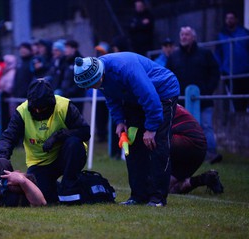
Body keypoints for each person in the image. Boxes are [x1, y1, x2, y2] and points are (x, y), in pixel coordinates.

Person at [74, 52, 180, 207]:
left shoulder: (126, 68)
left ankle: (158, 197)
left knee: (157, 144)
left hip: (162, 93)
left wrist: (151, 128)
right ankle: (138, 195)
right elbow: (111, 96)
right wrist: (120, 121)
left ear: (100, 73)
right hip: (134, 97)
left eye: (94, 83)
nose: (94, 87)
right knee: (131, 144)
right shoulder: (100, 76)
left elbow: (150, 97)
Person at [0, 79, 90, 204]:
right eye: (35, 109)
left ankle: (69, 187)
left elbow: (84, 131)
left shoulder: (64, 106)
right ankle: (56, 187)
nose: (38, 111)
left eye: (43, 108)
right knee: (42, 197)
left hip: (66, 156)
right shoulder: (22, 112)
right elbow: (8, 137)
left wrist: (57, 136)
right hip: (40, 163)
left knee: (74, 144)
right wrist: (1, 161)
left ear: (52, 103)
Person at [166, 26, 222, 164]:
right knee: (179, 129)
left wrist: (208, 90)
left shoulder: (205, 54)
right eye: (182, 35)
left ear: (193, 37)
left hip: (203, 99)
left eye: (187, 34)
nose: (184, 37)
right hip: (181, 102)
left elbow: (215, 72)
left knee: (206, 126)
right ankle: (183, 155)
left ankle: (211, 154)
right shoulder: (174, 56)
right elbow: (167, 75)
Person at [169, 104, 224, 194]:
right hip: (199, 148)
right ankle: (203, 179)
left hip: (185, 142)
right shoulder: (168, 101)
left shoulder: (156, 103)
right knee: (169, 189)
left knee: (155, 185)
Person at [215, 11, 249, 112]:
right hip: (230, 73)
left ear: (236, 19)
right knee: (235, 100)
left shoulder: (244, 33)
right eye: (227, 18)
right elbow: (218, 54)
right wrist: (221, 69)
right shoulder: (222, 35)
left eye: (231, 18)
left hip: (245, 72)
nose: (229, 20)